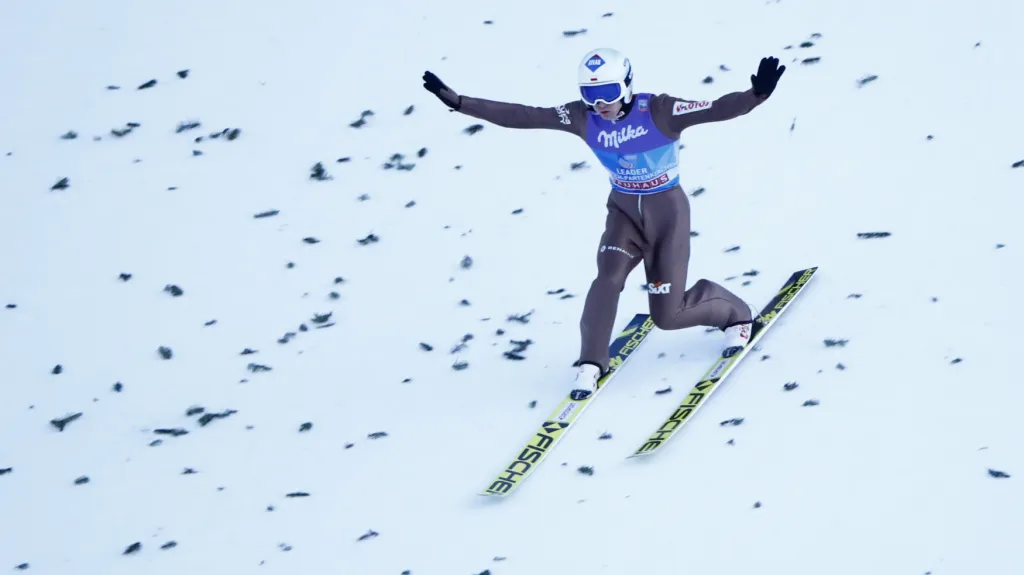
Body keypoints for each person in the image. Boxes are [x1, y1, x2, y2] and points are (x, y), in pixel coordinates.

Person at [421, 48, 785, 400]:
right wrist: (460, 103)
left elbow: (715, 108)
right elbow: (525, 115)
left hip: (666, 215)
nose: (600, 103)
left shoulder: (659, 110)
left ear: (626, 84)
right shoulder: (582, 117)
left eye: (608, 92)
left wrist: (756, 94)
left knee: (668, 316)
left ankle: (735, 313)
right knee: (606, 279)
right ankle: (591, 362)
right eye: (590, 94)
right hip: (624, 214)